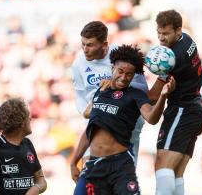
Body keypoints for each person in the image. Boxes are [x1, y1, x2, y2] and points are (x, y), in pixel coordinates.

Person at [71, 44, 175, 195]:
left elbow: (152, 118)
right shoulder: (101, 91)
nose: (124, 77)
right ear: (112, 68)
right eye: (120, 71)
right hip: (94, 165)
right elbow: (89, 130)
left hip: (119, 165)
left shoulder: (135, 95)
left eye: (129, 74)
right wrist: (74, 161)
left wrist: (163, 96)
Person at [71, 21, 148, 195]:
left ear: (104, 44)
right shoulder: (78, 64)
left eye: (90, 45)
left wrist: (114, 85)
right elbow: (79, 95)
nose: (85, 49)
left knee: (119, 183)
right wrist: (86, 111)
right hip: (97, 123)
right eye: (83, 44)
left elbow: (141, 92)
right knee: (88, 181)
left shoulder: (123, 58)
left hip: (126, 129)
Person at [153, 9, 202, 195]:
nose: (161, 37)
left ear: (178, 30)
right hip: (194, 108)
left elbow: (153, 96)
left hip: (182, 111)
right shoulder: (187, 39)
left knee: (162, 164)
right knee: (176, 173)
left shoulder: (171, 57)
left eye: (165, 33)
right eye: (158, 32)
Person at [0, 98, 47, 195]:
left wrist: (36, 188)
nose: (30, 119)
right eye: (27, 116)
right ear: (20, 122)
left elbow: (41, 180)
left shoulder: (28, 144)